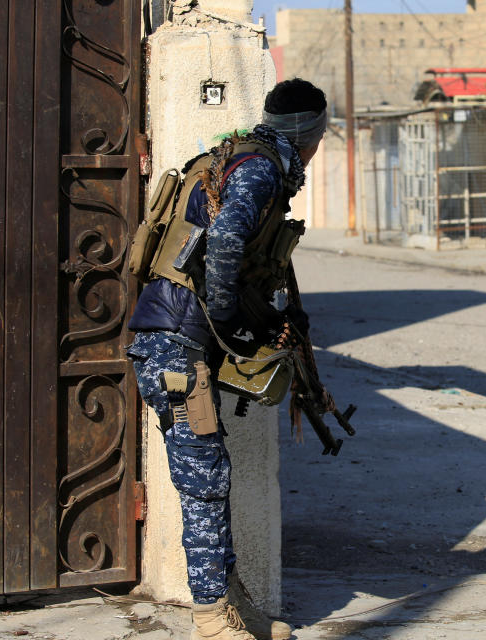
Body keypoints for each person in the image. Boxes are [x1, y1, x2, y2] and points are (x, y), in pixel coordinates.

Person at [126, 78, 328, 640]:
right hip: (174, 344)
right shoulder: (260, 169)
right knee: (205, 482)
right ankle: (211, 620)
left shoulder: (243, 157)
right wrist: (236, 324)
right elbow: (223, 245)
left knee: (213, 476)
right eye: (320, 136)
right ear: (310, 135)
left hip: (181, 340)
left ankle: (231, 604)